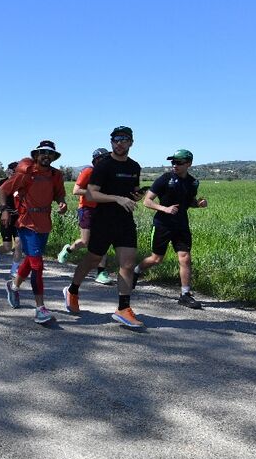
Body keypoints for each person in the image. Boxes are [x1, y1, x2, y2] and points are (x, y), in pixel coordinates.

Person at [62, 126, 144, 328]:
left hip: (125, 221)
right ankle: (72, 290)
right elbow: (90, 194)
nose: (119, 143)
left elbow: (131, 191)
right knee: (93, 259)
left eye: (124, 139)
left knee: (127, 263)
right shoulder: (103, 166)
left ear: (131, 142)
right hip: (103, 220)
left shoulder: (134, 167)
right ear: (111, 142)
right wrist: (117, 198)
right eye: (116, 139)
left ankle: (123, 308)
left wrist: (136, 196)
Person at [0, 140, 67, 323]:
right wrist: (4, 210)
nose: (46, 156)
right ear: (36, 155)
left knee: (31, 261)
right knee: (37, 265)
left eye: (50, 153)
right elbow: (3, 190)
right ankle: (40, 308)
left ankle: (13, 286)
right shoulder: (26, 174)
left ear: (54, 157)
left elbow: (59, 194)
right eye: (42, 152)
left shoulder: (56, 175)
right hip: (26, 222)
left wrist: (62, 202)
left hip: (44, 223)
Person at [133, 149, 207, 309]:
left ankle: (185, 294)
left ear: (188, 164)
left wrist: (198, 204)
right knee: (156, 259)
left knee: (185, 257)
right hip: (162, 225)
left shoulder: (193, 182)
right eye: (173, 162)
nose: (174, 165)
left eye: (178, 162)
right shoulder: (164, 179)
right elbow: (147, 201)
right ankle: (136, 271)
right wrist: (165, 209)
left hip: (181, 225)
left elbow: (189, 202)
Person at [57, 148, 114, 285]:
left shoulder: (108, 174)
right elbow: (76, 190)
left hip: (102, 209)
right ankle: (68, 249)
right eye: (103, 158)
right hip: (86, 209)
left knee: (102, 240)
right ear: (96, 160)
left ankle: (101, 272)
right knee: (85, 241)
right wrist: (94, 193)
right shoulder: (88, 171)